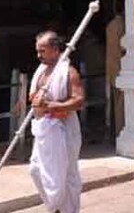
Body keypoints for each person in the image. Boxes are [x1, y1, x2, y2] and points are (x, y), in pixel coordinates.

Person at [27, 31, 85, 213]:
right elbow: (34, 97)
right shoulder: (41, 71)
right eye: (37, 51)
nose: (38, 55)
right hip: (43, 130)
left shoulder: (69, 72)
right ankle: (54, 207)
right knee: (36, 170)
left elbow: (79, 101)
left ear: (54, 49)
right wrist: (35, 100)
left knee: (64, 177)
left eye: (42, 51)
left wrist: (51, 105)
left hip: (63, 131)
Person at [106, 0, 126, 137]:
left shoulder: (111, 24)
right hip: (122, 67)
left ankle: (118, 132)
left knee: (116, 104)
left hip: (112, 67)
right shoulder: (123, 26)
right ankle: (121, 133)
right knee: (122, 106)